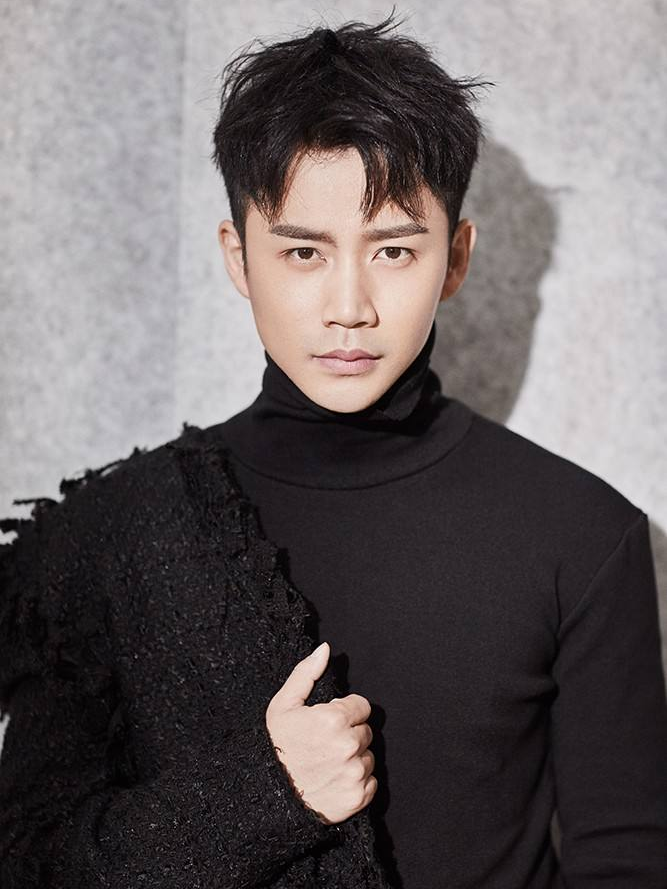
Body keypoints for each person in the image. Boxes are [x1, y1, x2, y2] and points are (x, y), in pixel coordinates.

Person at [1, 10, 666, 889]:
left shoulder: (581, 535)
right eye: (303, 253)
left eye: (392, 250)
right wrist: (263, 793)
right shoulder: (110, 536)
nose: (348, 306)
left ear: (454, 257)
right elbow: (30, 862)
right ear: (238, 257)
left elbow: (626, 860)